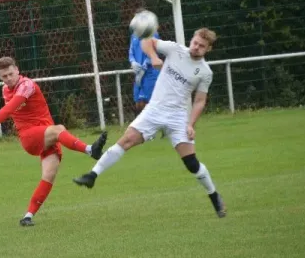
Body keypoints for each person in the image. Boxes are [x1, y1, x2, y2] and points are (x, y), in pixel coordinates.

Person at [73, 28, 226, 218]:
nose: (196, 47)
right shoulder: (175, 49)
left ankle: (214, 196)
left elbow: (200, 101)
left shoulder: (205, 72)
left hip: (177, 117)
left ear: (208, 49)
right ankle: (92, 175)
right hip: (154, 110)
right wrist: (154, 57)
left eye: (201, 46)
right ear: (191, 40)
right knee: (126, 140)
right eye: (195, 42)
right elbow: (146, 41)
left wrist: (190, 124)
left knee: (191, 163)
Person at [0, 56, 108, 227]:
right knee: (59, 128)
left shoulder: (27, 85)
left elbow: (12, 106)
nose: (8, 79)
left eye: (10, 74)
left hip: (47, 135)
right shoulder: (6, 90)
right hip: (31, 137)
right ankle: (91, 150)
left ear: (17, 70)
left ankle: (28, 216)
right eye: (4, 77)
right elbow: (9, 109)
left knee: (48, 176)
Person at [129, 29, 160, 113]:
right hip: (138, 74)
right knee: (138, 103)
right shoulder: (134, 35)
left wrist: (144, 67)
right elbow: (131, 51)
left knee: (146, 103)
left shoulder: (153, 34)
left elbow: (153, 53)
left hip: (150, 73)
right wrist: (132, 62)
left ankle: (153, 124)